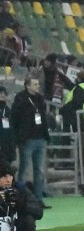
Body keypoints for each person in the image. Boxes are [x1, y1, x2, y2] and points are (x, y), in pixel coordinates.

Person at [10, 76, 50, 210]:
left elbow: (42, 116)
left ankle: (38, 199)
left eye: (38, 84)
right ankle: (20, 199)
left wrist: (45, 134)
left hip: (39, 138)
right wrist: (20, 136)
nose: (38, 86)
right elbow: (14, 118)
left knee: (39, 171)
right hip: (27, 140)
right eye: (35, 84)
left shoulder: (39, 99)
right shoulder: (21, 98)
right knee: (23, 169)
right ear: (27, 86)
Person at [0, 160, 43, 231]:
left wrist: (21, 205)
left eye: (10, 175)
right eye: (3, 176)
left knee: (29, 219)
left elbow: (39, 212)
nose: (8, 179)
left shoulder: (20, 189)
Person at [0, 86, 14, 165]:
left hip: (6, 148)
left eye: (4, 93)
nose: (3, 95)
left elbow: (9, 130)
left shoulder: (8, 111)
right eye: (0, 93)